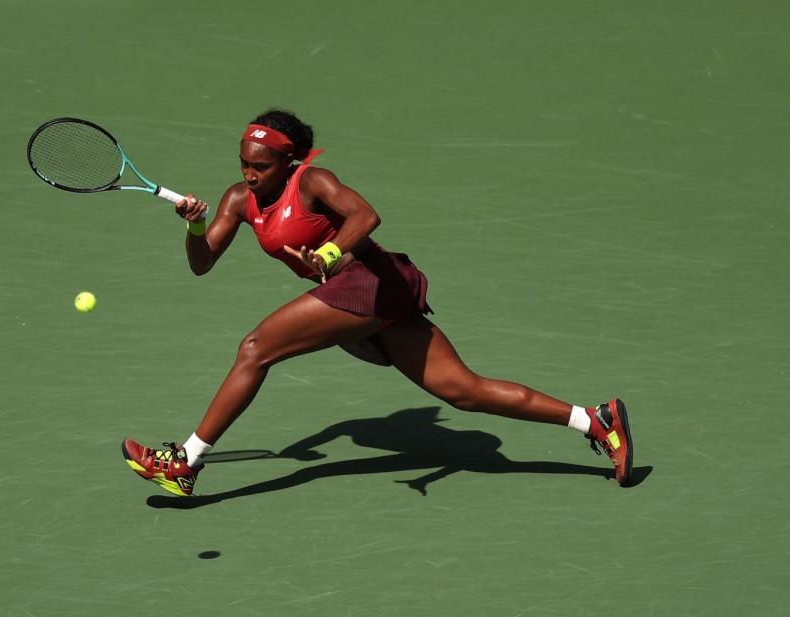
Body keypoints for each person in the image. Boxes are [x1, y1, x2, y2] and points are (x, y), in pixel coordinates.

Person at [122, 109, 633, 496]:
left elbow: (366, 216)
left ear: (290, 161)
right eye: (243, 164)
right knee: (464, 390)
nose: (250, 174)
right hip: (361, 295)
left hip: (368, 280)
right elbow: (202, 262)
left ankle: (186, 461)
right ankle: (594, 420)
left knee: (256, 347)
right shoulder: (238, 199)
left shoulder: (314, 181)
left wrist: (327, 252)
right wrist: (192, 224)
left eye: (261, 165)